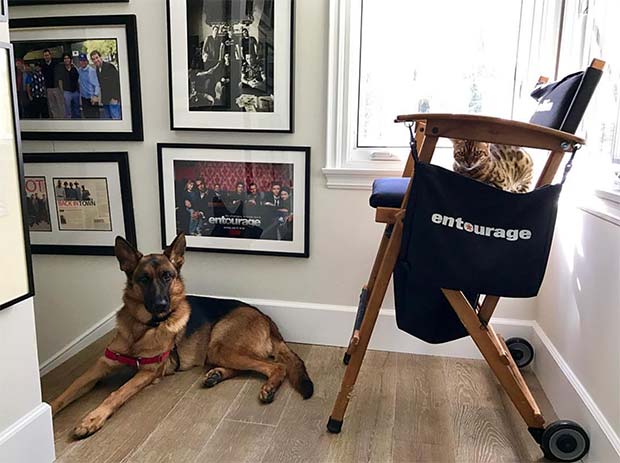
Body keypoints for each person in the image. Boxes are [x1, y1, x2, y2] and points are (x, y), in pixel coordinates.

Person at [90, 50, 121, 120]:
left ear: (100, 57)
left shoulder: (110, 67)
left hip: (113, 100)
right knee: (108, 119)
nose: (96, 60)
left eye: (97, 57)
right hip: (105, 100)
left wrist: (115, 98)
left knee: (115, 119)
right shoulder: (97, 69)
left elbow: (117, 82)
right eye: (93, 59)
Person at [41, 49, 64, 119]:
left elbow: (60, 76)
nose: (46, 57)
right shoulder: (43, 66)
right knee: (52, 106)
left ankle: (62, 120)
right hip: (49, 89)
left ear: (50, 55)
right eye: (45, 56)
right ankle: (55, 120)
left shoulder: (55, 64)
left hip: (56, 88)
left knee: (60, 105)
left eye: (47, 55)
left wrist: (61, 88)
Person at [57, 53, 80, 119]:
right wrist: (62, 92)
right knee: (68, 110)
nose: (66, 60)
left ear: (70, 59)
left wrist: (79, 91)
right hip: (66, 92)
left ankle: (78, 122)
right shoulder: (61, 69)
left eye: (68, 58)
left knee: (76, 109)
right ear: (63, 60)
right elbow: (60, 81)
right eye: (65, 58)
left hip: (75, 92)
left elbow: (78, 80)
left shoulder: (74, 68)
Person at [77, 53, 100, 119]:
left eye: (84, 60)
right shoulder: (79, 70)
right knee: (87, 117)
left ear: (87, 61)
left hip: (92, 98)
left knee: (95, 118)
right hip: (84, 98)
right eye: (81, 61)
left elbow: (97, 85)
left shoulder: (91, 71)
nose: (82, 62)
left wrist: (95, 95)